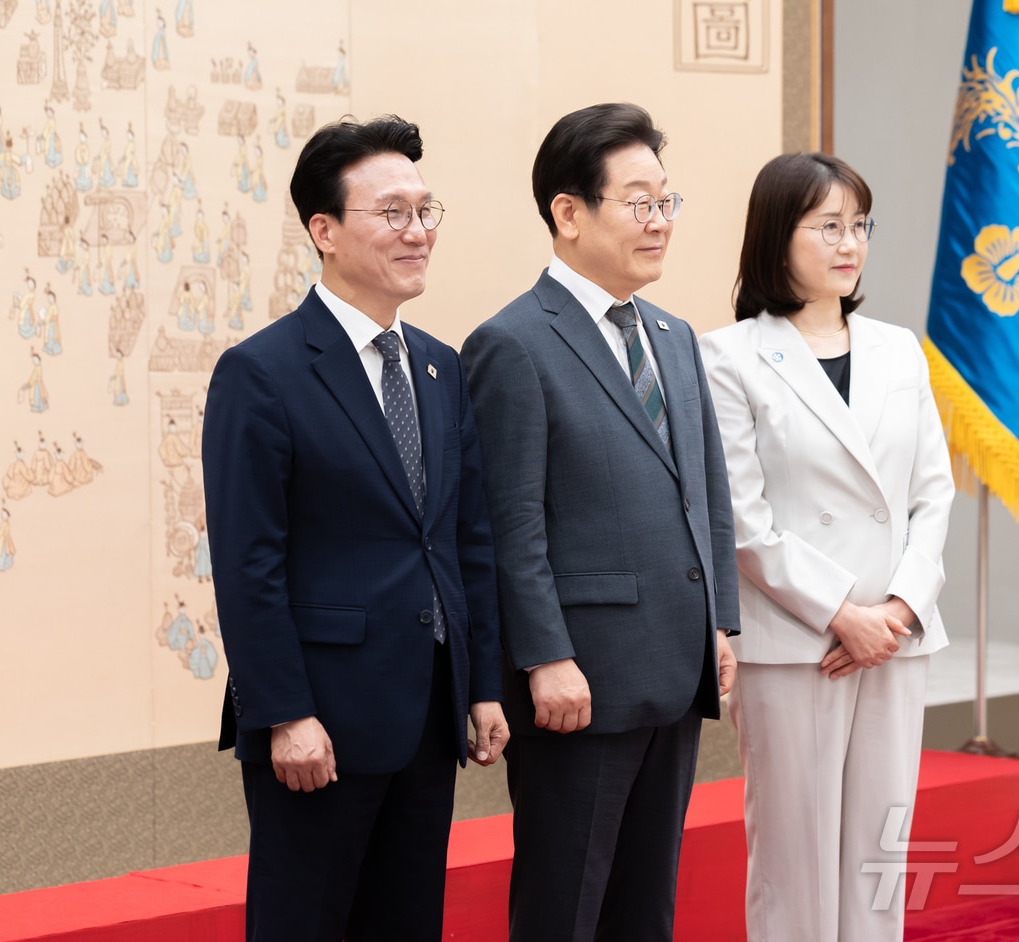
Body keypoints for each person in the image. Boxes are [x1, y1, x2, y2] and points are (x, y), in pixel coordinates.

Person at [202, 114, 507, 942]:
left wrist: (480, 684)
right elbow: (247, 563)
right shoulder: (260, 373)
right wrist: (284, 714)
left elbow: (464, 538)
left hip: (426, 712)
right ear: (324, 231)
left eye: (425, 210)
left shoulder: (440, 366)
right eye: (393, 214)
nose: (418, 233)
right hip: (321, 724)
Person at [459, 102, 739, 942]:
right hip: (579, 682)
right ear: (569, 212)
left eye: (667, 202)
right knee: (565, 904)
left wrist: (719, 621)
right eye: (638, 202)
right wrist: (545, 656)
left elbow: (709, 496)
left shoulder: (675, 335)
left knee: (646, 906)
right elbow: (510, 522)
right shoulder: (512, 343)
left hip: (676, 666)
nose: (659, 223)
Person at [697, 153, 955, 942]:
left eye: (859, 226)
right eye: (828, 227)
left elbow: (932, 494)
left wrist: (897, 612)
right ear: (779, 240)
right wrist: (844, 613)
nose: (850, 244)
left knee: (881, 851)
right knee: (794, 857)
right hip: (796, 642)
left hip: (893, 642)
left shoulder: (898, 348)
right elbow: (744, 517)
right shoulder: (728, 354)